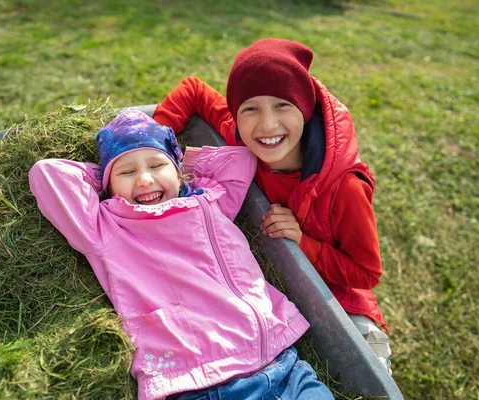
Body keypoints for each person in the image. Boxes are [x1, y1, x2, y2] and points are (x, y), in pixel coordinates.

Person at [28, 109, 334, 400]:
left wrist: (183, 171)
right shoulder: (107, 228)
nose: (145, 179)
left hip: (282, 362)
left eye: (156, 166)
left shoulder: (211, 201)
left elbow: (240, 159)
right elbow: (48, 175)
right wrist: (104, 176)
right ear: (109, 186)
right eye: (127, 171)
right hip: (204, 381)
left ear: (177, 172)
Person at [152, 38, 392, 373]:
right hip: (276, 287)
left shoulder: (345, 186)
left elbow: (366, 274)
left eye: (282, 106)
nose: (266, 125)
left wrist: (304, 243)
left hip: (338, 299)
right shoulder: (243, 136)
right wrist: (152, 147)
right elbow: (192, 89)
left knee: (361, 369)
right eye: (251, 108)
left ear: (304, 112)